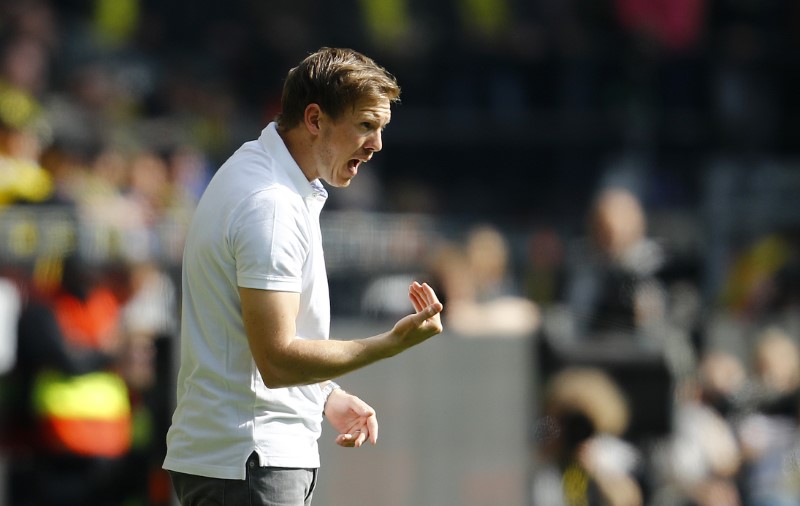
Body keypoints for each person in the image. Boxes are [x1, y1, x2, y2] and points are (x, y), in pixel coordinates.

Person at [162, 47, 444, 506]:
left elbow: (252, 349)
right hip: (252, 467)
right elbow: (276, 361)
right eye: (365, 125)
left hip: (241, 463)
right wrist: (390, 344)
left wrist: (323, 396)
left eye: (380, 129)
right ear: (314, 119)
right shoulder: (271, 205)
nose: (376, 145)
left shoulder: (265, 178)